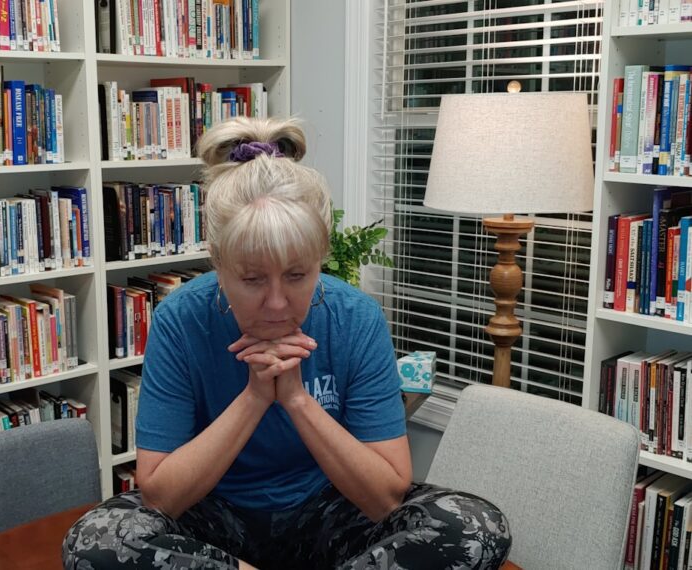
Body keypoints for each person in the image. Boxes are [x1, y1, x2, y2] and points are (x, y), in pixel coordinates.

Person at [63, 117, 512, 569]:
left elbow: (386, 497)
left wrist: (296, 399)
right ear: (218, 263)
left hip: (328, 512)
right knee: (96, 542)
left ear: (320, 259)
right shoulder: (181, 320)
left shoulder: (355, 318)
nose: (277, 303)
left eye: (297, 275)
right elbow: (161, 495)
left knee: (475, 527)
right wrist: (256, 396)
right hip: (215, 517)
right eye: (252, 279)